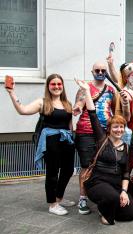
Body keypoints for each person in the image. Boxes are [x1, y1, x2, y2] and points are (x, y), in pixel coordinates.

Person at [6, 74, 75, 215]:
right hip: (50, 141)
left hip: (66, 140)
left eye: (59, 84)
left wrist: (72, 137)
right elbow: (22, 110)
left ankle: (59, 197)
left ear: (62, 86)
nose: (56, 87)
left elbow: (69, 123)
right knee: (52, 172)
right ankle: (52, 204)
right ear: (48, 86)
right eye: (53, 84)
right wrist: (12, 93)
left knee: (68, 170)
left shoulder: (67, 103)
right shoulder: (42, 102)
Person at [73, 62, 116, 215]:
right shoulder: (85, 87)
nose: (100, 72)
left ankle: (100, 196)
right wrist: (78, 107)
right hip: (86, 131)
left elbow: (115, 110)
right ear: (92, 71)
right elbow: (79, 102)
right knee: (86, 165)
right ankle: (83, 197)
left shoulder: (111, 90)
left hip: (105, 133)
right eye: (97, 70)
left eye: (103, 70)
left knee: (103, 165)